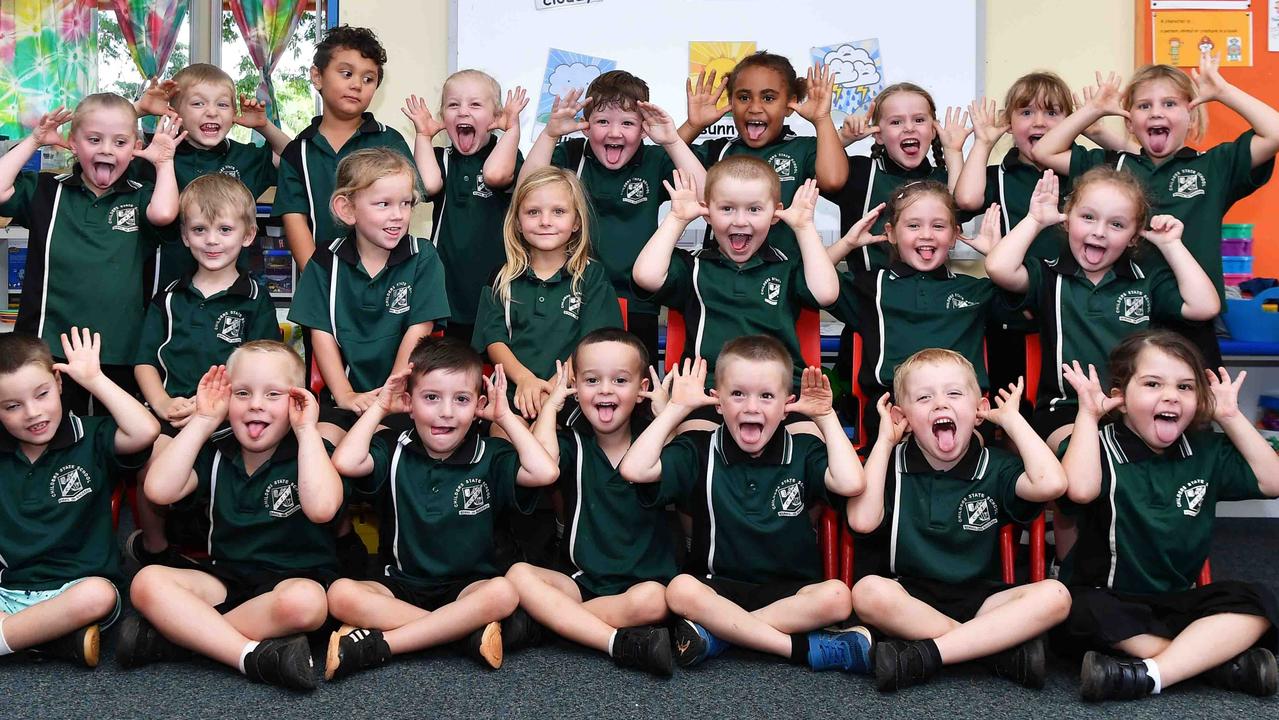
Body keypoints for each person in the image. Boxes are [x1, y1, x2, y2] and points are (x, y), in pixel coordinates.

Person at [619, 337, 871, 673]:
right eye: (737, 394)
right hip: (717, 587)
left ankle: (720, 636)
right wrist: (677, 410)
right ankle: (799, 649)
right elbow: (634, 470)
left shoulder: (803, 449)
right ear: (718, 402)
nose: (752, 407)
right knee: (680, 589)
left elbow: (852, 483)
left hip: (790, 592)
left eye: (767, 396)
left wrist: (825, 417)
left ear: (787, 406)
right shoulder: (700, 448)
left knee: (838, 597)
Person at [1056, 331, 1279, 701]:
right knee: (1076, 609)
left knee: (1257, 599)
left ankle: (1152, 673)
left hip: (1177, 602)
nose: (1171, 395)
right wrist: (1087, 415)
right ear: (1121, 399)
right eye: (1152, 383)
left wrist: (1230, 415)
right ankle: (1209, 661)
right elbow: (1079, 489)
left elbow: (1273, 481)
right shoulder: (1095, 445)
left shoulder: (1207, 451)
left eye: (1186, 387)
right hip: (1109, 600)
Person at [323, 338, 558, 680]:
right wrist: (380, 407)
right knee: (341, 594)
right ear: (409, 402)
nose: (446, 412)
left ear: (479, 405)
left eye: (461, 400)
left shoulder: (490, 453)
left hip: (468, 588)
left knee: (503, 593)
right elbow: (345, 460)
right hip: (401, 585)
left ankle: (384, 643)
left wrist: (504, 416)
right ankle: (459, 636)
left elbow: (545, 472)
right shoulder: (394, 448)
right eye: (431, 398)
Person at [119, 342, 345, 692]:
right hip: (226, 577)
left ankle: (179, 639)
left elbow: (322, 508)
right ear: (226, 399)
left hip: (293, 581)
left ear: (296, 401)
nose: (256, 403)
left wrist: (306, 431)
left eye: (273, 394)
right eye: (242, 393)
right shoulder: (217, 449)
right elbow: (158, 490)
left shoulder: (311, 449)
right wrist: (204, 420)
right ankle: (248, 653)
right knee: (146, 582)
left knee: (307, 604)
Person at [1031, 53, 1279, 367]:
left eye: (1170, 104)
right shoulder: (1115, 166)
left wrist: (1224, 92)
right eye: (1144, 105)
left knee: (1196, 409)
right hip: (1124, 314)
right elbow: (1044, 150)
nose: (1156, 112)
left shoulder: (1213, 166)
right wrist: (1093, 108)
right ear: (1130, 121)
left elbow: (1274, 132)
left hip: (1192, 317)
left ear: (1193, 114)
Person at [848, 349, 1070, 692]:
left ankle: (931, 653)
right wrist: (883, 440)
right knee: (866, 592)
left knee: (1057, 595)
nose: (940, 404)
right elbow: (862, 521)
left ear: (979, 409)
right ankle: (991, 653)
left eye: (954, 393)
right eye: (924, 397)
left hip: (983, 600)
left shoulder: (995, 465)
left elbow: (1052, 484)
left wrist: (1011, 419)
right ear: (901, 415)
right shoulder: (888, 463)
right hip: (911, 598)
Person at [985, 169, 1219, 449]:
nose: (1099, 231)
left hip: (1132, 410)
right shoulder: (1049, 275)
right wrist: (1035, 220)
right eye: (1088, 217)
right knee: (1083, 463)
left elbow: (1204, 306)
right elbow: (999, 268)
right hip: (1065, 410)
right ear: (1068, 219)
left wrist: (1171, 245)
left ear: (1134, 236)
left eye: (1117, 225)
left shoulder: (1146, 280)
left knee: (1136, 462)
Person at [130, 174, 281, 567]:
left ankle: (236, 557)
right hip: (174, 416)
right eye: (200, 229)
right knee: (152, 466)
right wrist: (162, 403)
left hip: (232, 418)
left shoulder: (255, 298)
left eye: (224, 229)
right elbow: (145, 360)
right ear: (184, 235)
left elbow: (265, 367)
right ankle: (156, 552)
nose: (211, 240)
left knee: (251, 468)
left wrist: (218, 403)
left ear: (248, 235)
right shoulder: (168, 298)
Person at [505, 329, 676, 676]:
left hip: (640, 588)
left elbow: (674, 459)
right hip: (582, 583)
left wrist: (665, 414)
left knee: (656, 601)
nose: (605, 390)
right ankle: (610, 638)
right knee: (518, 575)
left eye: (620, 380)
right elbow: (542, 466)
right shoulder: (575, 440)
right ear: (575, 387)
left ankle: (554, 625)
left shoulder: (652, 442)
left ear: (642, 388)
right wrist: (551, 407)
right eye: (592, 380)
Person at [0, 96, 183, 414]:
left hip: (117, 351)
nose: (107, 150)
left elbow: (166, 214)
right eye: (94, 139)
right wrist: (35, 140)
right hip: (46, 348)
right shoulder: (47, 189)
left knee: (108, 443)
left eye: (120, 141)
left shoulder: (141, 195)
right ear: (72, 141)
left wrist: (164, 162)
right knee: (47, 436)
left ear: (135, 146)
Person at [520, 70, 705, 361]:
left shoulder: (655, 160)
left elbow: (709, 199)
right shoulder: (572, 154)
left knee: (630, 388)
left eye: (628, 123)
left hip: (636, 302)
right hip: (571, 296)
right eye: (603, 121)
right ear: (585, 127)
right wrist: (549, 134)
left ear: (644, 130)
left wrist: (672, 140)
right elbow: (525, 195)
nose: (614, 132)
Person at [0, 330, 159, 668]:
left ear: (58, 382)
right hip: (8, 590)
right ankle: (50, 641)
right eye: (12, 406)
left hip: (77, 589)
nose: (32, 413)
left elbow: (145, 431)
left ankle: (15, 640)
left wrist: (94, 379)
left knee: (97, 596)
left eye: (41, 394)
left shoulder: (91, 436)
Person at [632, 161, 837, 412]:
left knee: (811, 441)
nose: (740, 221)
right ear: (707, 213)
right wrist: (676, 218)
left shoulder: (787, 267)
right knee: (695, 439)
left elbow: (826, 293)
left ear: (776, 214)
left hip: (780, 394)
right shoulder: (694, 266)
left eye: (754, 209)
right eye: (727, 208)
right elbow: (646, 276)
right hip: (709, 391)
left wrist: (804, 227)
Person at [826, 180, 1004, 443]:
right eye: (913, 225)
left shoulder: (976, 290)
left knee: (970, 443)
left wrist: (998, 256)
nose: (926, 235)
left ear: (955, 235)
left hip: (963, 409)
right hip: (894, 409)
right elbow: (809, 282)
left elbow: (1028, 300)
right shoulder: (871, 286)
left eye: (939, 226)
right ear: (891, 233)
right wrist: (847, 244)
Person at [288, 148, 449, 438]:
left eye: (405, 203)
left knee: (380, 452)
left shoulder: (423, 257)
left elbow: (419, 332)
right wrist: (345, 395)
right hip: (340, 400)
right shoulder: (325, 260)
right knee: (323, 450)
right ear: (347, 209)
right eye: (383, 204)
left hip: (402, 401)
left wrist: (390, 394)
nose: (398, 215)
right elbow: (320, 334)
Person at [472, 167, 621, 422]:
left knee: (547, 447)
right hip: (512, 392)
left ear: (576, 222)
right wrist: (525, 380)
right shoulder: (501, 277)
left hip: (572, 396)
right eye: (533, 212)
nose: (545, 221)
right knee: (506, 441)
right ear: (518, 222)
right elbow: (493, 340)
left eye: (559, 212)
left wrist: (553, 389)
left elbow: (593, 344)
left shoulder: (591, 275)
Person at [133, 63, 293, 289]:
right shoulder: (158, 154)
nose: (212, 111)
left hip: (234, 292)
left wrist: (264, 126)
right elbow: (109, 136)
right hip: (170, 290)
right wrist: (140, 108)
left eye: (223, 104)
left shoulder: (245, 157)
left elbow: (294, 159)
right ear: (174, 111)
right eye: (198, 103)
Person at [274, 25, 417, 268]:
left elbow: (400, 212)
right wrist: (319, 283)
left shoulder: (390, 142)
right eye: (346, 74)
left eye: (368, 79)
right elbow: (295, 221)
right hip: (323, 280)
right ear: (317, 76)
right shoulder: (297, 152)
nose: (357, 85)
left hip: (383, 277)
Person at [678, 53, 846, 256]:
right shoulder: (718, 150)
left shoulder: (804, 148)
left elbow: (833, 180)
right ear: (731, 102)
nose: (755, 108)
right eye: (743, 97)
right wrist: (692, 126)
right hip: (721, 272)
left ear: (790, 104)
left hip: (785, 275)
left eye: (768, 98)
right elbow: (661, 164)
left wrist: (822, 119)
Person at [404, 69, 526, 343]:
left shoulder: (505, 155)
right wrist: (423, 136)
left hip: (496, 283)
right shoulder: (441, 157)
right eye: (453, 105)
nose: (462, 112)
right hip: (447, 285)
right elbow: (428, 185)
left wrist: (511, 130)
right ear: (442, 117)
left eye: (475, 104)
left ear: (495, 118)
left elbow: (496, 175)